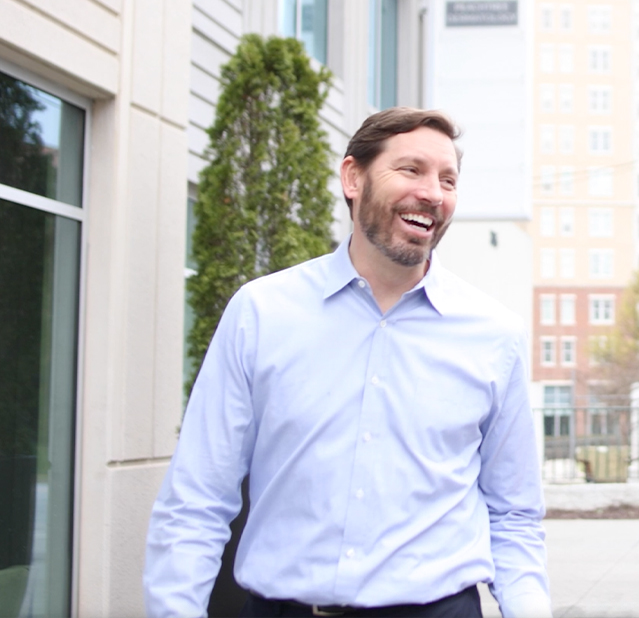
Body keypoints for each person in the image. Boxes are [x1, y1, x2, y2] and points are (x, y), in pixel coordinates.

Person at [144, 108, 551, 618]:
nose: (434, 193)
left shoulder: (495, 335)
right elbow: (197, 497)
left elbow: (513, 514)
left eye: (448, 179)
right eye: (411, 170)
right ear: (353, 177)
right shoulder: (262, 312)